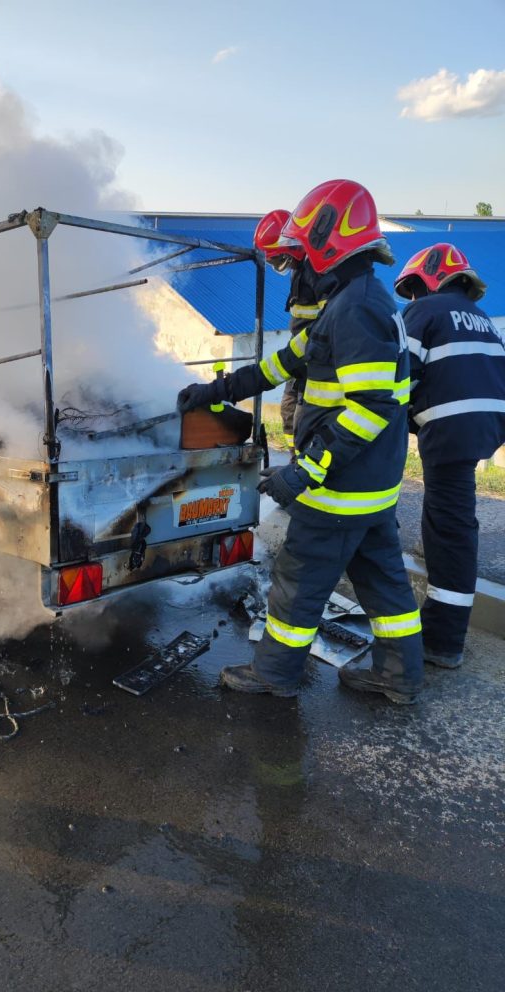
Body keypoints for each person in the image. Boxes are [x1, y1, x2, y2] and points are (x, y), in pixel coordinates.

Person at [178, 179, 424, 704]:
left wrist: (304, 471)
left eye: (299, 259)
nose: (297, 272)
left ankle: (273, 674)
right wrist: (214, 390)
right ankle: (399, 677)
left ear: (325, 244)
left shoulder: (355, 308)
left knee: (299, 579)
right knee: (384, 585)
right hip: (371, 490)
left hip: (340, 490)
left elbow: (370, 406)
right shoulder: (352, 300)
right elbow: (280, 365)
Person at [394, 243, 505, 668]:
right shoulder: (480, 318)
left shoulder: (425, 312)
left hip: (451, 426)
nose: (413, 299)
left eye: (413, 290)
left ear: (428, 278)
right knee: (454, 520)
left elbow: (398, 374)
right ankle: (446, 633)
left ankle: (442, 641)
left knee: (449, 528)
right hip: (485, 423)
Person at [253, 209, 324, 458]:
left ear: (291, 245)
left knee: (304, 416)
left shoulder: (317, 273)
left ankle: (303, 460)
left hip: (313, 361)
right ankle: (296, 456)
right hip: (298, 357)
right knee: (288, 409)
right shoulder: (300, 272)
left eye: (276, 258)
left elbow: (324, 327)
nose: (275, 264)